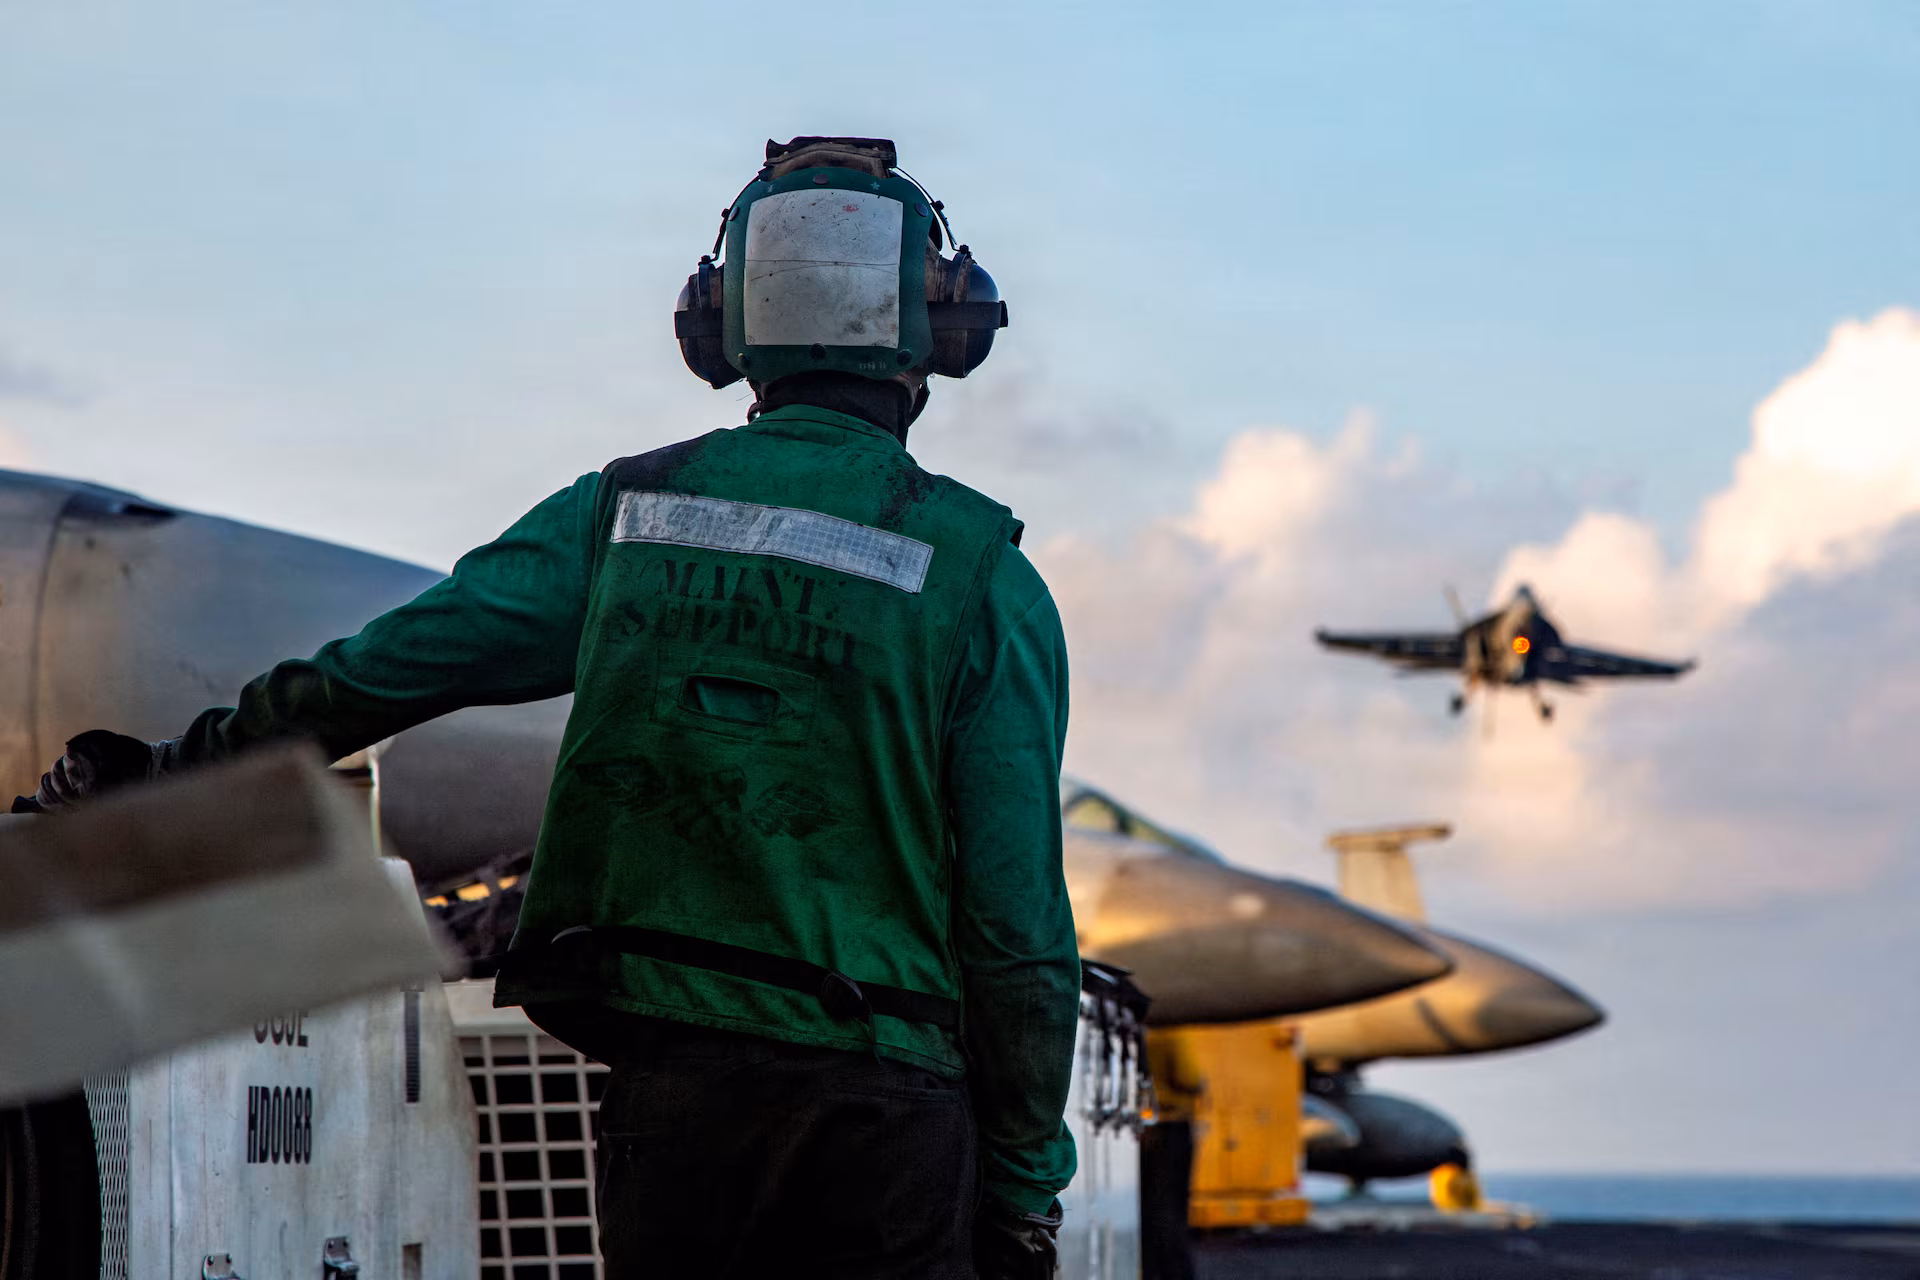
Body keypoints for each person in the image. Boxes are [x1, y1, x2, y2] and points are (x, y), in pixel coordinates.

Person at [24, 136, 1081, 1279]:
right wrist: (1023, 1192)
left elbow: (384, 669)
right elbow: (1018, 933)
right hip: (888, 1127)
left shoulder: (625, 515)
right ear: (939, 332)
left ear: (721, 325)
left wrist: (177, 765)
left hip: (676, 1107)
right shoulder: (986, 580)